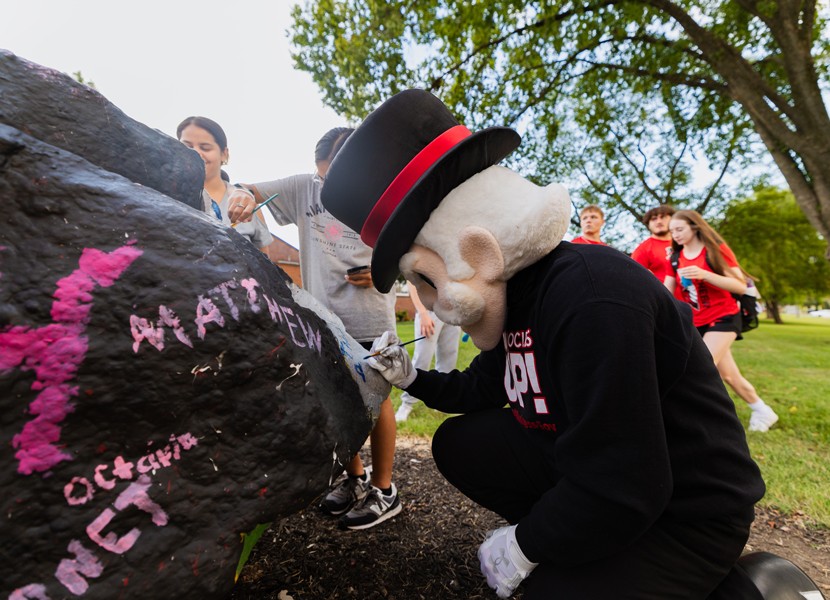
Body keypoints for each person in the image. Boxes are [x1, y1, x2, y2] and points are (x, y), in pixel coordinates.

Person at [320, 90, 767, 599]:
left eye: (424, 279)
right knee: (460, 444)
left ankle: (745, 588)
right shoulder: (513, 298)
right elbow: (482, 390)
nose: (431, 303)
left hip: (681, 509)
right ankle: (581, 539)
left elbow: (627, 480)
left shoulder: (592, 299)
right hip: (594, 470)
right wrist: (411, 377)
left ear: (477, 253)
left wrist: (526, 545)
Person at [233, 128, 401, 530]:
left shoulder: (386, 196)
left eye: (336, 179)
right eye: (322, 176)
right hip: (321, 318)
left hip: (370, 317)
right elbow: (247, 188)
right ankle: (355, 478)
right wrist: (241, 194)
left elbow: (409, 253)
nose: (327, 186)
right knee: (336, 401)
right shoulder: (304, 189)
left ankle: (384, 489)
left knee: (376, 402)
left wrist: (384, 271)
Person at [662, 210, 779, 433]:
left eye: (680, 229)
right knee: (728, 376)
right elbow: (667, 292)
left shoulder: (715, 251)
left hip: (724, 316)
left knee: (698, 366)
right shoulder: (675, 259)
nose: (675, 235)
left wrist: (705, 274)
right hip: (697, 322)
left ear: (695, 227)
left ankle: (697, 422)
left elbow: (740, 285)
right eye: (672, 231)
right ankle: (763, 411)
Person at [176, 117, 271, 251]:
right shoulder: (164, 198)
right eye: (187, 146)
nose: (195, 153)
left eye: (205, 148)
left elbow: (264, 264)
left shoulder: (247, 204)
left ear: (224, 154)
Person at [394, 283, 462, 422]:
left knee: (448, 358)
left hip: (452, 310)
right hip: (429, 311)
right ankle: (407, 404)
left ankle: (443, 402)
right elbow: (412, 282)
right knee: (422, 359)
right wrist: (423, 313)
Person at [631, 204, 676, 281]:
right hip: (661, 292)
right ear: (648, 224)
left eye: (663, 217)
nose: (659, 221)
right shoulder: (642, 250)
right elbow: (634, 277)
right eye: (654, 219)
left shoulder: (684, 243)